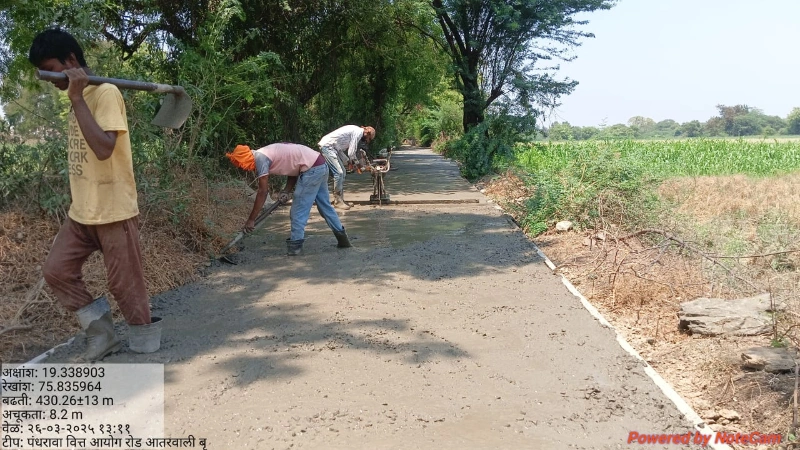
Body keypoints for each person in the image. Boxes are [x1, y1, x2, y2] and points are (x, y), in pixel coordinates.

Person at [29, 28, 162, 362]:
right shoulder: (78, 97)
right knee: (56, 270)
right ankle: (102, 336)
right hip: (82, 211)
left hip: (113, 209)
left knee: (125, 284)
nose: (51, 80)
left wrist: (77, 99)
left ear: (71, 61)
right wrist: (75, 98)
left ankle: (145, 345)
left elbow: (104, 150)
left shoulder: (105, 93)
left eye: (52, 70)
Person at [226, 143, 352, 255]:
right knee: (325, 206)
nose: (242, 167)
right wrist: (286, 190)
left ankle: (295, 249)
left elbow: (263, 192)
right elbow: (293, 169)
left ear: (244, 158)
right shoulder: (266, 152)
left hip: (312, 169)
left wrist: (251, 220)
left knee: (298, 212)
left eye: (241, 164)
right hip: (320, 164)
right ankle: (343, 240)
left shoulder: (260, 158)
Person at [317, 125, 376, 210]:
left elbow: (339, 149)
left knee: (343, 172)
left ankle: (341, 200)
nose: (367, 141)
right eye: (369, 139)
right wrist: (359, 165)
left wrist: (348, 161)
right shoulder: (358, 132)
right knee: (339, 173)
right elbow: (351, 153)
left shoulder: (355, 130)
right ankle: (338, 202)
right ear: (367, 133)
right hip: (327, 147)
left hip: (333, 148)